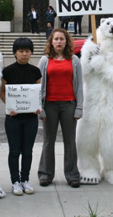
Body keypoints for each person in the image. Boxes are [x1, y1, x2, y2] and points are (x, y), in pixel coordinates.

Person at [37, 28, 83, 188]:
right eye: (55, 39)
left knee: (70, 142)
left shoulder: (75, 60)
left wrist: (79, 108)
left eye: (61, 39)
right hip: (49, 105)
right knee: (48, 141)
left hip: (69, 105)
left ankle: (72, 175)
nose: (58, 42)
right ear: (51, 42)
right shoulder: (44, 60)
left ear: (66, 41)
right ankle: (45, 174)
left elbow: (79, 86)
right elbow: (39, 85)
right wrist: (40, 108)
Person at [0, 38, 42, 196]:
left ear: (31, 52)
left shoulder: (35, 71)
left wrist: (38, 106)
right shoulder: (7, 71)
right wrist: (8, 106)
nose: (24, 54)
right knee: (14, 150)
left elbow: (38, 91)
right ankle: (15, 181)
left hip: (31, 118)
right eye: (21, 51)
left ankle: (25, 179)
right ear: (15, 53)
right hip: (13, 118)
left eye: (27, 51)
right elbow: (2, 91)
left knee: (28, 151)